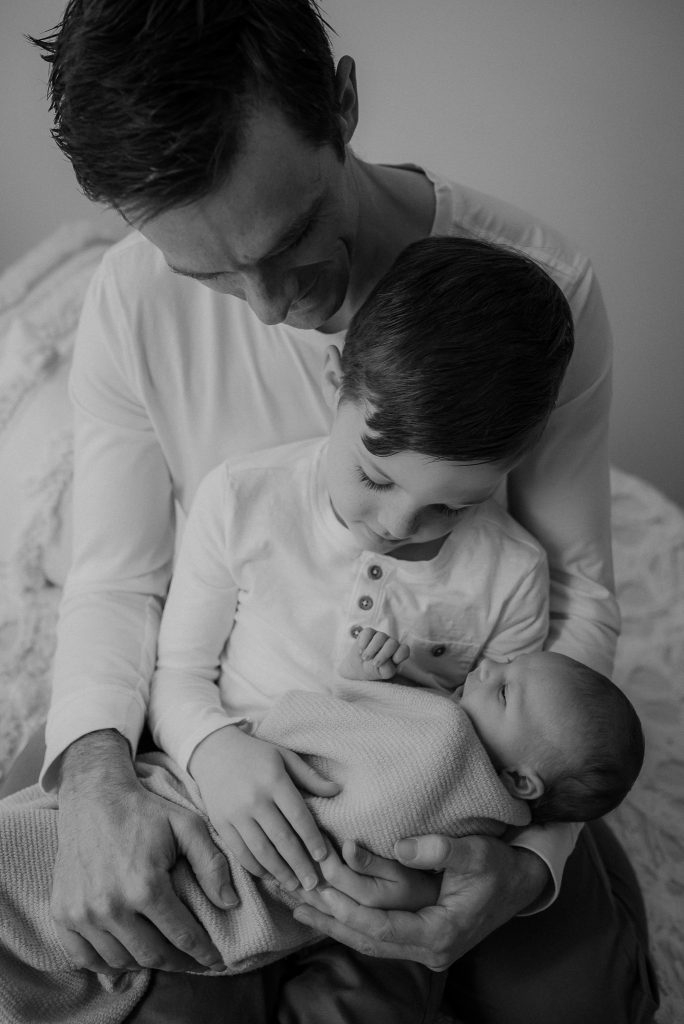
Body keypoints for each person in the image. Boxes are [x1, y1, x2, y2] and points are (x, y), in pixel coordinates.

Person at [10, 0, 656, 1020]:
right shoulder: (130, 302)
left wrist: (532, 859)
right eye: (209, 275)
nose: (272, 308)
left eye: (292, 238)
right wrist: (102, 776)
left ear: (342, 105)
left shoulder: (541, 292)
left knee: (578, 1002)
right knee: (117, 953)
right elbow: (117, 578)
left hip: (451, 754)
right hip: (214, 709)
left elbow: (575, 595)